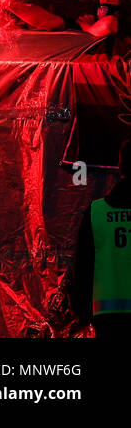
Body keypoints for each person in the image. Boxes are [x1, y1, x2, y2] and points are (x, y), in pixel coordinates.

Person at [68, 140, 131, 338]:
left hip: (108, 315)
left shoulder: (97, 212)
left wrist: (81, 309)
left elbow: (83, 266)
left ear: (120, 167)